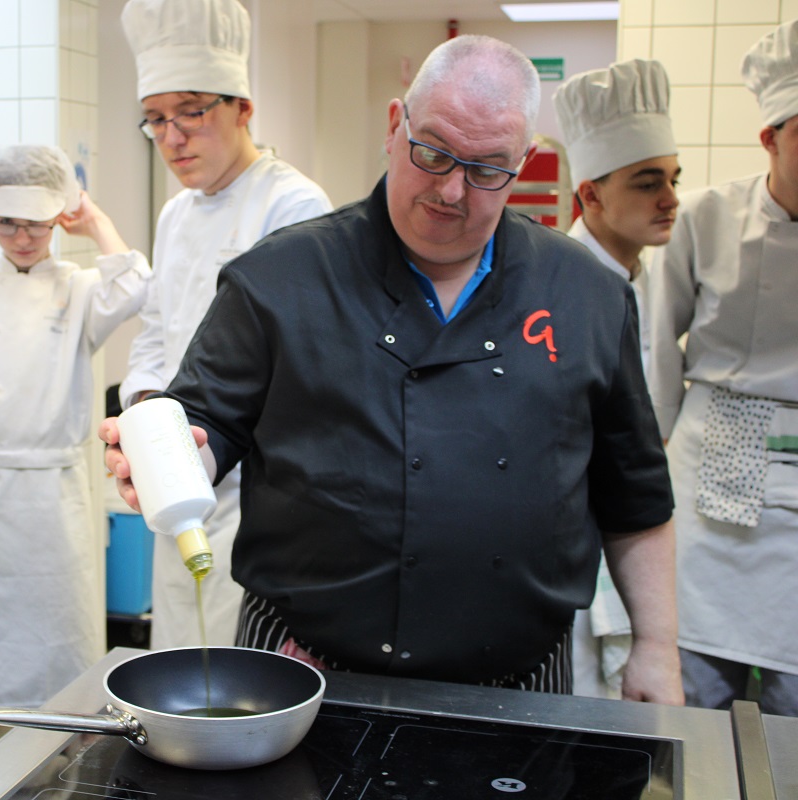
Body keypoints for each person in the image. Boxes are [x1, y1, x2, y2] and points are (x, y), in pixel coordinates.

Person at [103, 34, 683, 702]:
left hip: (520, 677)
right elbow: (205, 425)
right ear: (393, 126)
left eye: (487, 168)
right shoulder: (280, 277)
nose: (451, 190)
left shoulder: (587, 294)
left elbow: (634, 493)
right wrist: (162, 464)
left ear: (523, 164)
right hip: (303, 665)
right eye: (432, 151)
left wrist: (657, 648)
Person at [0, 144, 150, 774]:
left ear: (58, 220)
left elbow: (136, 286)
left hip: (54, 503)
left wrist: (93, 218)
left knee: (62, 666)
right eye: (6, 222)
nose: (22, 237)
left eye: (36, 222)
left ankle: (71, 781)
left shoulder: (80, 290)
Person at [113, 0, 332, 651]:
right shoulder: (176, 214)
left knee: (249, 673)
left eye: (191, 111)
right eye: (155, 119)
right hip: (178, 478)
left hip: (261, 496)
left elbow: (303, 371)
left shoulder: (292, 205)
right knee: (182, 657)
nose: (172, 137)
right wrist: (148, 415)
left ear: (242, 108)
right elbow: (155, 333)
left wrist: (199, 439)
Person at [646, 19, 798, 716]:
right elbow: (656, 353)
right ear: (769, 137)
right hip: (709, 466)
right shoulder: (706, 217)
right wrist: (646, 481)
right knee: (697, 689)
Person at [552, 59, 681, 699]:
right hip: (573, 562)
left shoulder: (647, 279)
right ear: (591, 196)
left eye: (673, 180)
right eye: (647, 182)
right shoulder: (566, 292)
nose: (671, 199)